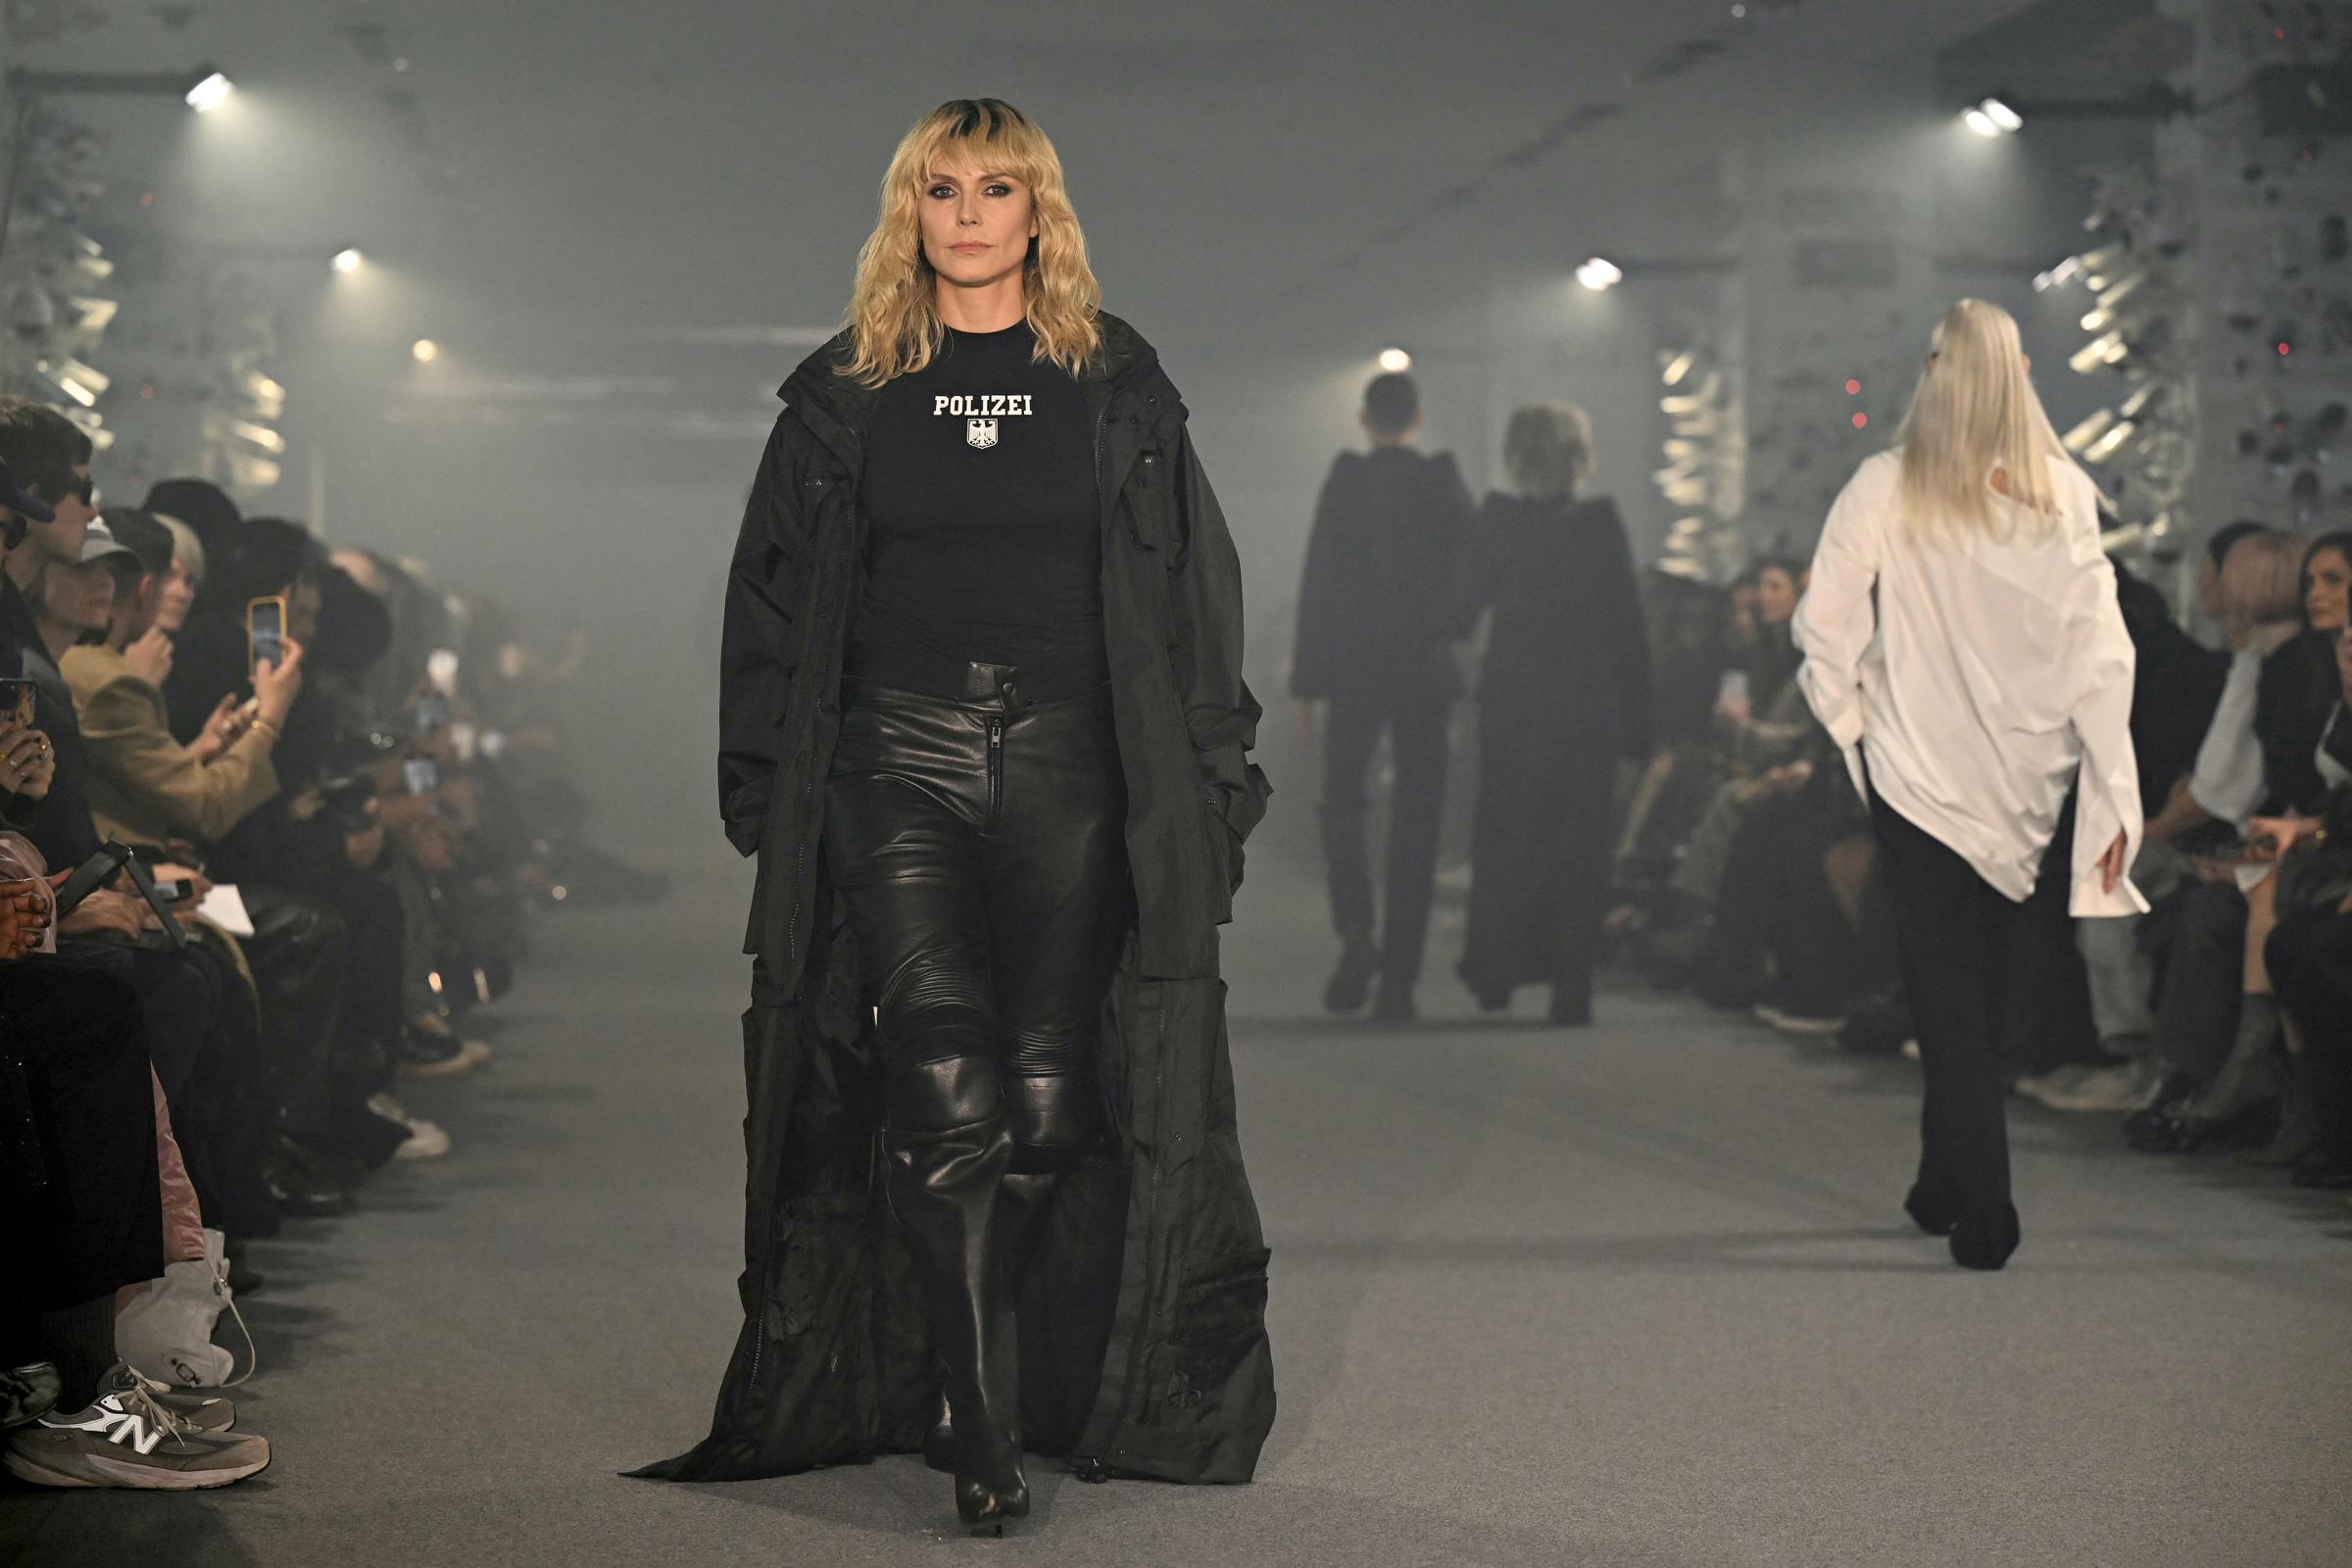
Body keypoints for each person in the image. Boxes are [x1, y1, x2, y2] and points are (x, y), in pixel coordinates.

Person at [637, 98, 1273, 1534]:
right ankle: (980, 1429)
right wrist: (764, 792)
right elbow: (770, 602)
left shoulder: (1118, 387)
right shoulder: (844, 395)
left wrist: (1213, 783)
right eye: (943, 187)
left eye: (999, 186)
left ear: (1040, 210)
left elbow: (1192, 600)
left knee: (1050, 1108)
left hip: (1071, 763)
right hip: (893, 757)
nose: (971, 211)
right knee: (942, 1078)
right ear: (907, 211)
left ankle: (956, 1352)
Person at [1793, 299, 2139, 1271]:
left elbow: (1825, 628)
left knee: (1944, 985)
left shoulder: (1884, 486)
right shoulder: (2065, 494)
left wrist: (1854, 729)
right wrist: (2106, 773)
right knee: (1975, 983)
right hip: (2027, 774)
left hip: (1915, 772)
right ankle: (1947, 1180)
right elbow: (2098, 646)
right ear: (2020, 373)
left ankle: (1980, 1199)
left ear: (1936, 373)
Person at [1456, 402, 1650, 1024]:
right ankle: (1572, 986)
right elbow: (1630, 634)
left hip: (1515, 705)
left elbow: (1461, 606)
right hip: (1588, 708)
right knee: (1580, 846)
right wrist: (1640, 737)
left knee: (1508, 840)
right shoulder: (1601, 525)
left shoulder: (1500, 522)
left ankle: (1498, 970)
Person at [1288, 370, 1473, 1018]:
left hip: (1354, 669)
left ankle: (1356, 932)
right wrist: (1450, 631)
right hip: (1423, 668)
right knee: (1419, 816)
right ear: (1418, 418)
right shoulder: (1442, 481)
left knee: (1343, 803)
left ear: (1364, 419)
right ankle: (1400, 976)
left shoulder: (1347, 481)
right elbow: (1470, 571)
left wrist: (1305, 686)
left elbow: (1320, 581)